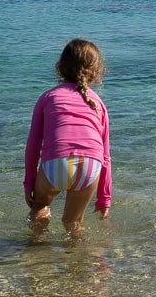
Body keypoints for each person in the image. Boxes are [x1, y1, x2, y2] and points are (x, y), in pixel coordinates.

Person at [24, 38, 112, 235]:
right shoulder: (98, 104)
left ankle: (36, 253)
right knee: (73, 224)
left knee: (40, 205)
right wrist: (104, 198)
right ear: (97, 73)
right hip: (90, 166)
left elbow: (33, 145)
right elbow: (105, 157)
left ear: (60, 68)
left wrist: (29, 182)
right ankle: (77, 263)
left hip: (56, 163)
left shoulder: (48, 97)